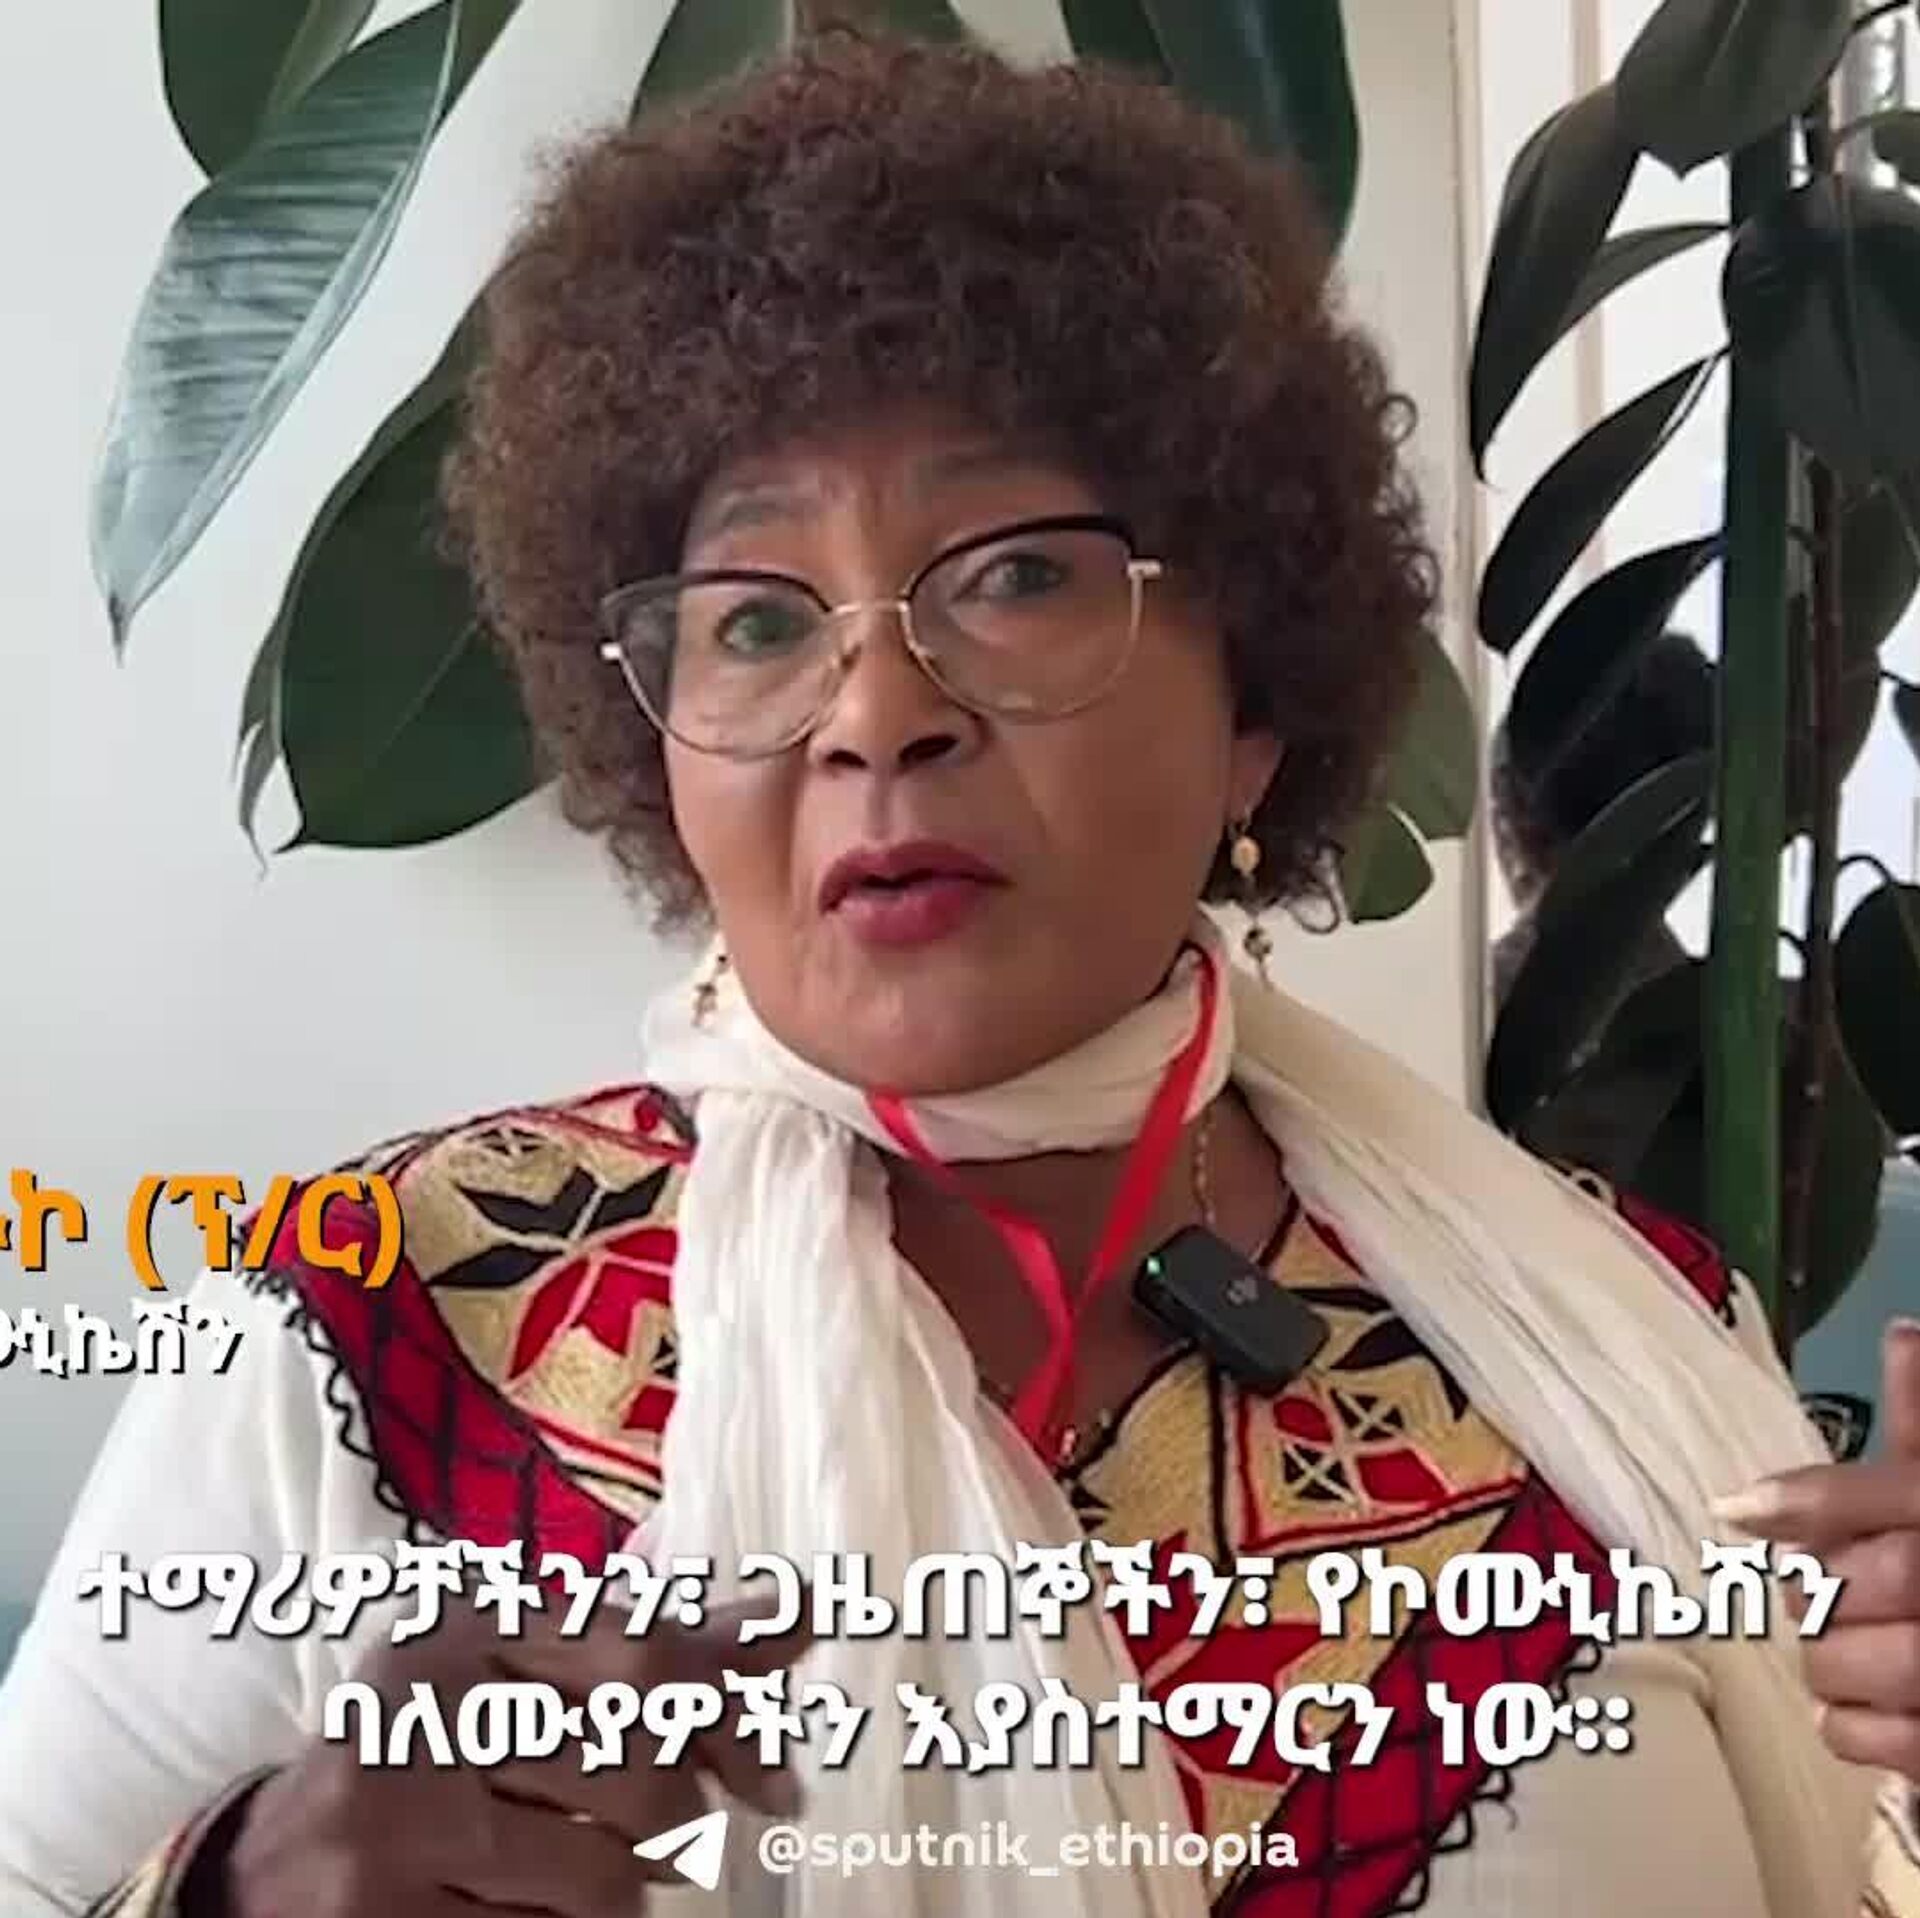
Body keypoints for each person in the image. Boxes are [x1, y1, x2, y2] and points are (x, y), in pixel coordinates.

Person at [2, 30, 1917, 1918]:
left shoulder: (1624, 1343)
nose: (875, 712)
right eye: (757, 617)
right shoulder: (374, 1326)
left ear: (1255, 710)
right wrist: (227, 1892)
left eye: (1016, 576)